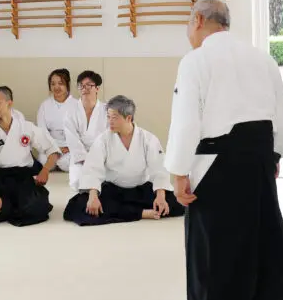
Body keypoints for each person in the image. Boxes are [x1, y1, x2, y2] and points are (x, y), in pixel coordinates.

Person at [165, 0, 283, 300]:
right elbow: (280, 112)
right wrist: (276, 153)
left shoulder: (196, 60)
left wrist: (178, 171)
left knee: (216, 244)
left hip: (216, 164)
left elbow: (186, 118)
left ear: (199, 20)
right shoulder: (262, 58)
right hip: (259, 157)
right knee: (262, 237)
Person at [63, 95, 184, 226]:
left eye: (114, 118)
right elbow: (93, 169)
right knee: (78, 205)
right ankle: (141, 213)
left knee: (176, 203)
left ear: (129, 118)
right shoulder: (103, 139)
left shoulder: (147, 138)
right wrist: (93, 196)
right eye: (108, 117)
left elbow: (159, 168)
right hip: (113, 192)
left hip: (141, 191)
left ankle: (131, 211)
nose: (110, 122)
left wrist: (160, 197)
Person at [0, 86, 60, 227]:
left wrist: (45, 171)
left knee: (34, 209)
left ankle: (16, 204)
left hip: (23, 178)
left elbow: (52, 149)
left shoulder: (26, 127)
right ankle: (0, 202)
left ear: (9, 103)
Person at [64, 70, 108, 190]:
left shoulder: (106, 110)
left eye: (89, 85)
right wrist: (85, 159)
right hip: (80, 156)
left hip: (101, 156)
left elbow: (109, 137)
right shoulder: (71, 110)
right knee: (78, 183)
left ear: (97, 88)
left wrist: (97, 158)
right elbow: (71, 138)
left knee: (106, 183)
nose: (85, 88)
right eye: (81, 86)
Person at [35, 69, 74, 172]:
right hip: (51, 145)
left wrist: (69, 147)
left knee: (66, 163)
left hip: (69, 146)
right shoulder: (45, 105)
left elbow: (81, 131)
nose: (56, 87)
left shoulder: (77, 105)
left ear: (67, 84)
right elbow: (42, 130)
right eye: (53, 84)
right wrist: (54, 148)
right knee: (44, 161)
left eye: (60, 83)